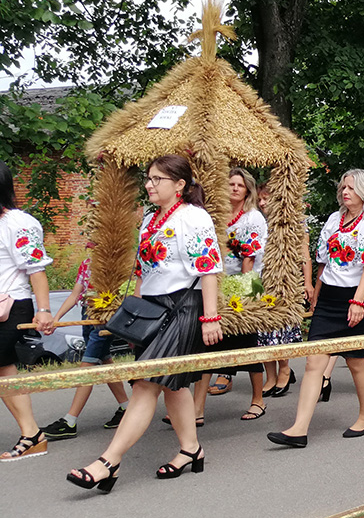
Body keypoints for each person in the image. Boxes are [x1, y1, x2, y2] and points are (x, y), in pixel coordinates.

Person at [67, 154, 223, 489]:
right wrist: (134, 312)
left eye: (157, 179)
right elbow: (142, 270)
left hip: (183, 308)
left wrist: (210, 318)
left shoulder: (194, 217)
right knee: (171, 383)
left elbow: (209, 269)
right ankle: (191, 450)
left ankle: (109, 461)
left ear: (180, 185)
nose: (149, 185)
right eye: (148, 178)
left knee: (145, 384)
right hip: (152, 310)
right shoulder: (151, 218)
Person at [267, 169, 364, 448]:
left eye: (352, 188)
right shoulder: (334, 219)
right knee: (313, 362)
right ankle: (299, 429)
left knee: (356, 362)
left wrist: (357, 301)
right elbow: (323, 261)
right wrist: (317, 296)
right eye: (344, 187)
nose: (346, 192)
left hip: (358, 299)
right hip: (330, 299)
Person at [192, 168, 266, 423]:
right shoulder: (217, 216)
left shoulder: (253, 218)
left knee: (247, 343)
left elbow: (249, 258)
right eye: (231, 184)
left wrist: (244, 295)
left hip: (245, 283)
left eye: (240, 185)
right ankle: (197, 409)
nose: (234, 188)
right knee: (208, 344)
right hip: (219, 281)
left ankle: (258, 400)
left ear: (248, 189)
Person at [42, 243, 129, 441]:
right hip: (86, 316)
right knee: (105, 362)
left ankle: (69, 421)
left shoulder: (113, 265)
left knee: (86, 368)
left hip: (103, 320)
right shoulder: (87, 263)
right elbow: (75, 295)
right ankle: (126, 407)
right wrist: (56, 320)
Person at [0, 160, 56, 461]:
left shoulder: (18, 223)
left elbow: (36, 270)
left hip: (12, 306)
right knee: (4, 370)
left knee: (4, 368)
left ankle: (32, 433)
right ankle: (32, 433)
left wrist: (44, 309)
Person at [255, 183, 304, 399]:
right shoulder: (257, 222)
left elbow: (304, 255)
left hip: (285, 281)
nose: (262, 203)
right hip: (261, 280)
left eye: (266, 199)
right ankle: (270, 375)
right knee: (263, 329)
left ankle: (285, 368)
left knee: (280, 327)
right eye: (259, 200)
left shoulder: (292, 221)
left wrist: (308, 284)